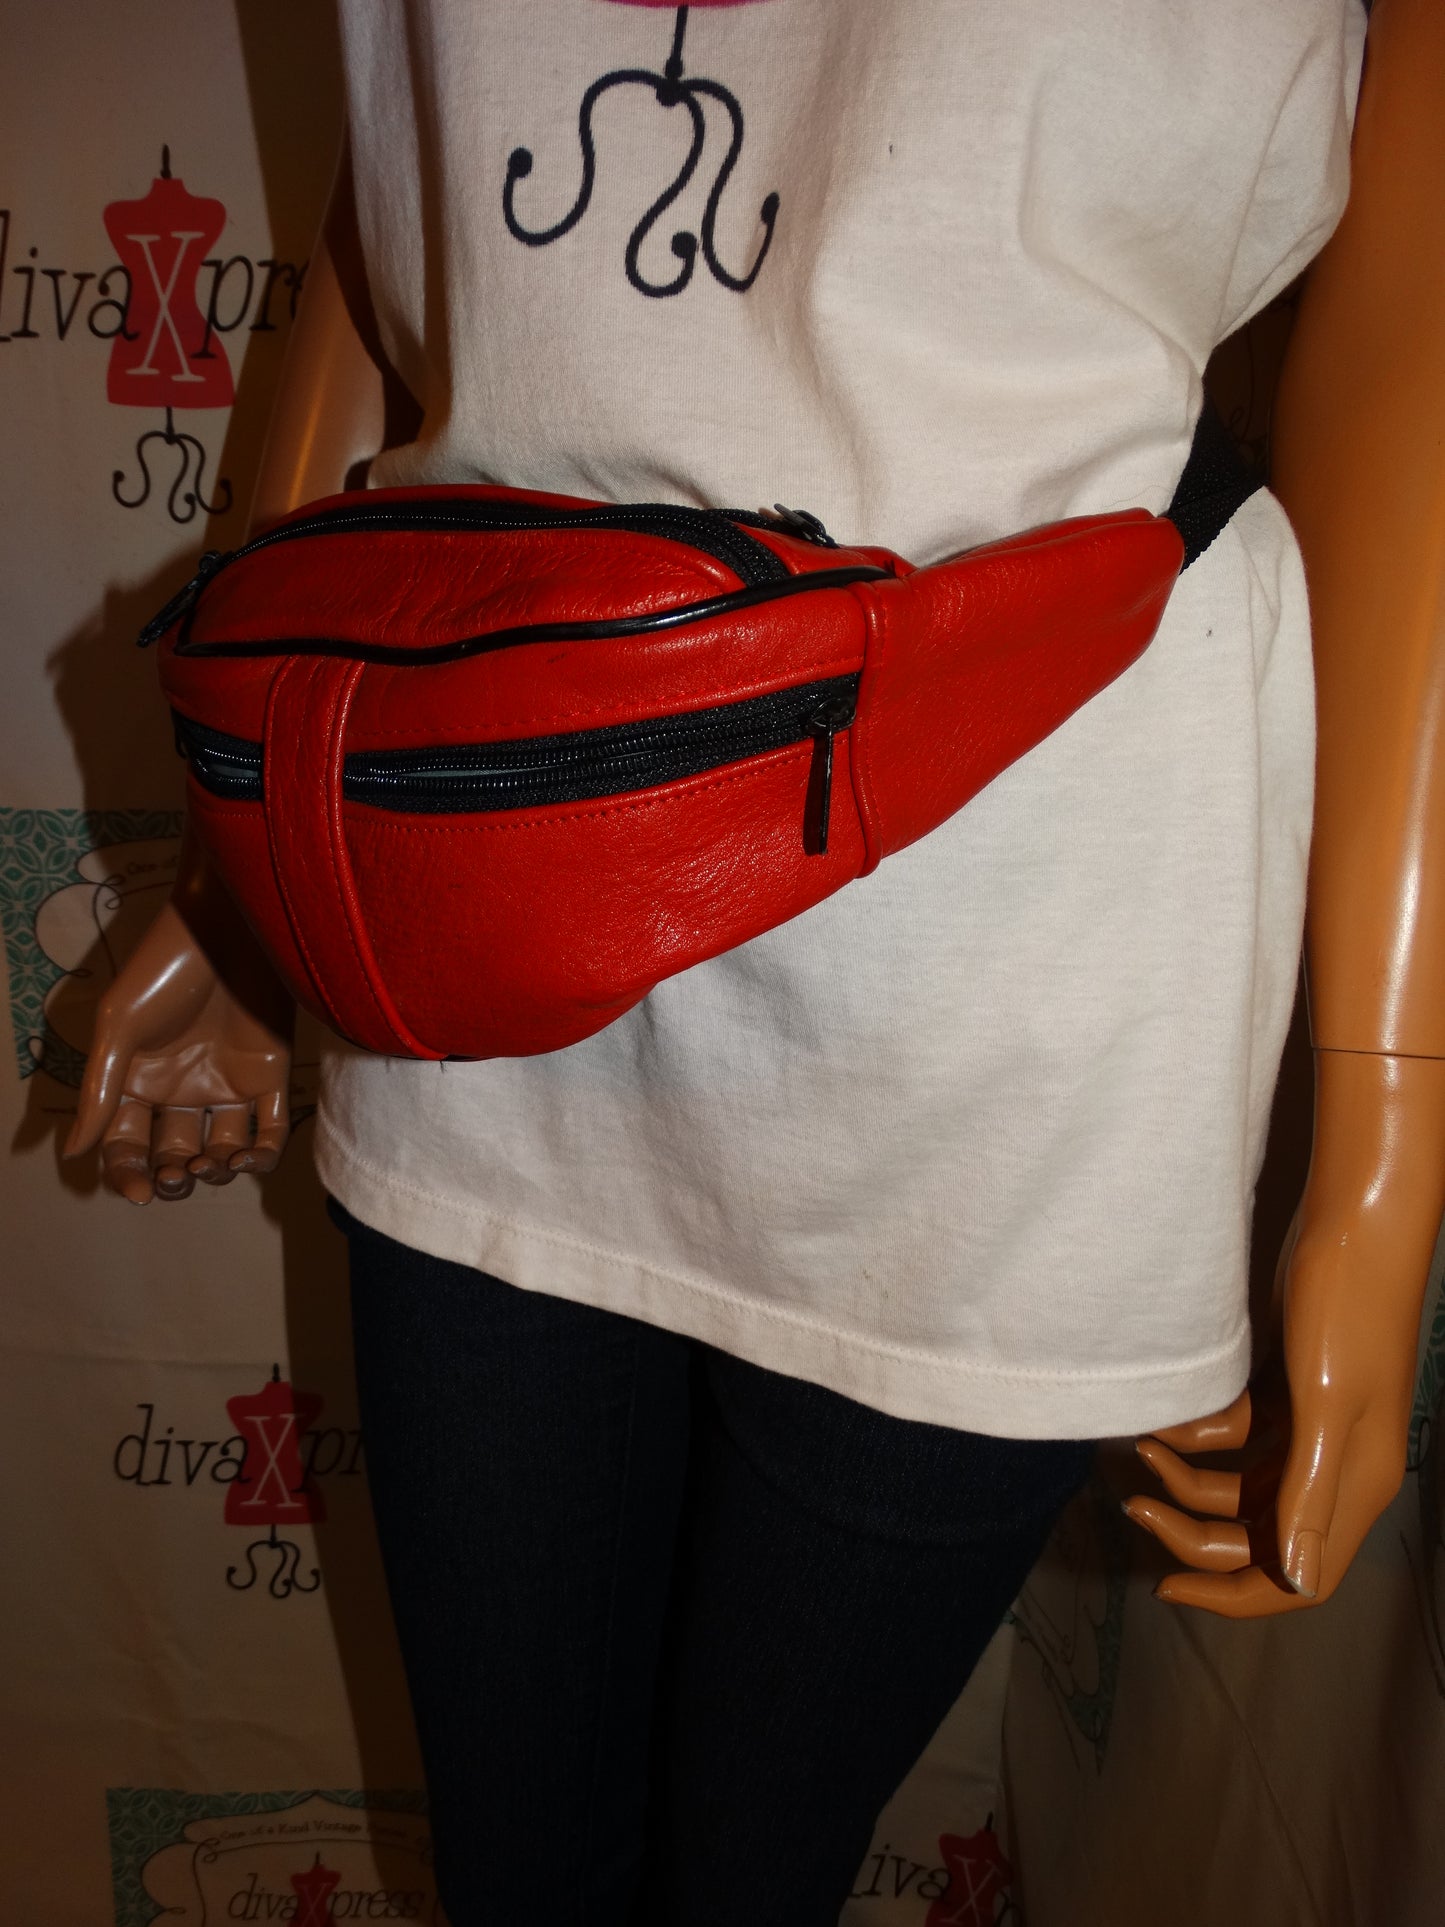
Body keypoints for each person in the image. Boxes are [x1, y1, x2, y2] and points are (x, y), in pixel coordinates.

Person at [67, 1, 1445, 1920]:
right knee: (520, 1871)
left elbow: (1413, 314)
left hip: (1001, 952)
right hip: (479, 909)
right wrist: (250, 872)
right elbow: (399, 244)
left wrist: (1386, 1138)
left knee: (747, 1879)